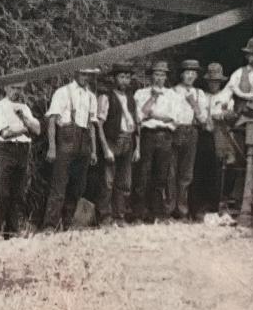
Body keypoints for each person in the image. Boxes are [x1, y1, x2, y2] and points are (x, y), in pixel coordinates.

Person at [132, 61, 191, 221]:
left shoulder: (173, 95)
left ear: (166, 77)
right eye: (156, 74)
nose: (159, 78)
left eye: (162, 75)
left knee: (161, 176)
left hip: (165, 136)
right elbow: (139, 116)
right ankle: (138, 213)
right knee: (143, 174)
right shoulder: (141, 93)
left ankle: (157, 213)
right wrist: (153, 98)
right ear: (151, 76)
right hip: (147, 135)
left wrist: (154, 116)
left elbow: (175, 119)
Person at [43, 68, 100, 230]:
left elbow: (92, 126)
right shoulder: (63, 92)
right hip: (66, 142)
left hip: (84, 145)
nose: (86, 77)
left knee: (78, 186)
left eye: (89, 75)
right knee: (59, 185)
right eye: (83, 73)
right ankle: (50, 225)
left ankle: (67, 223)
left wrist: (94, 151)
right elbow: (52, 120)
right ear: (75, 73)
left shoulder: (91, 97)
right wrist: (52, 147)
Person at [0, 82, 40, 238]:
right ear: (6, 88)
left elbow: (37, 129)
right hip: (5, 150)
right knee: (2, 192)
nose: (17, 92)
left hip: (22, 150)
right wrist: (25, 128)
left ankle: (12, 231)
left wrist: (24, 118)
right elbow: (5, 133)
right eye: (14, 88)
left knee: (17, 193)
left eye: (20, 88)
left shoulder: (25, 108)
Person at [95, 63, 140, 225]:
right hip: (112, 141)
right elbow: (99, 124)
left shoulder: (130, 99)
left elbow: (136, 124)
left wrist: (137, 147)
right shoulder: (106, 97)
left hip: (128, 141)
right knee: (107, 181)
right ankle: (104, 217)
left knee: (124, 182)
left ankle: (119, 216)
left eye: (127, 77)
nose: (125, 80)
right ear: (114, 78)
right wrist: (106, 148)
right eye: (121, 77)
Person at [169, 60, 210, 219]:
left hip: (192, 131)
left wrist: (194, 104)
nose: (190, 76)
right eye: (187, 72)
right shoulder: (172, 91)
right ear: (181, 74)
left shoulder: (199, 93)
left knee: (186, 174)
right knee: (171, 172)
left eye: (193, 73)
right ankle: (169, 209)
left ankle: (182, 210)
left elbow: (203, 119)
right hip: (175, 131)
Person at [193, 62, 229, 215]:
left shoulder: (225, 95)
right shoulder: (201, 95)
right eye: (211, 82)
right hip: (202, 134)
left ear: (220, 82)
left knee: (217, 168)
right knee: (199, 168)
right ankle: (198, 206)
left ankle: (214, 205)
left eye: (216, 82)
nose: (213, 84)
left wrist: (223, 115)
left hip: (218, 133)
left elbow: (230, 113)